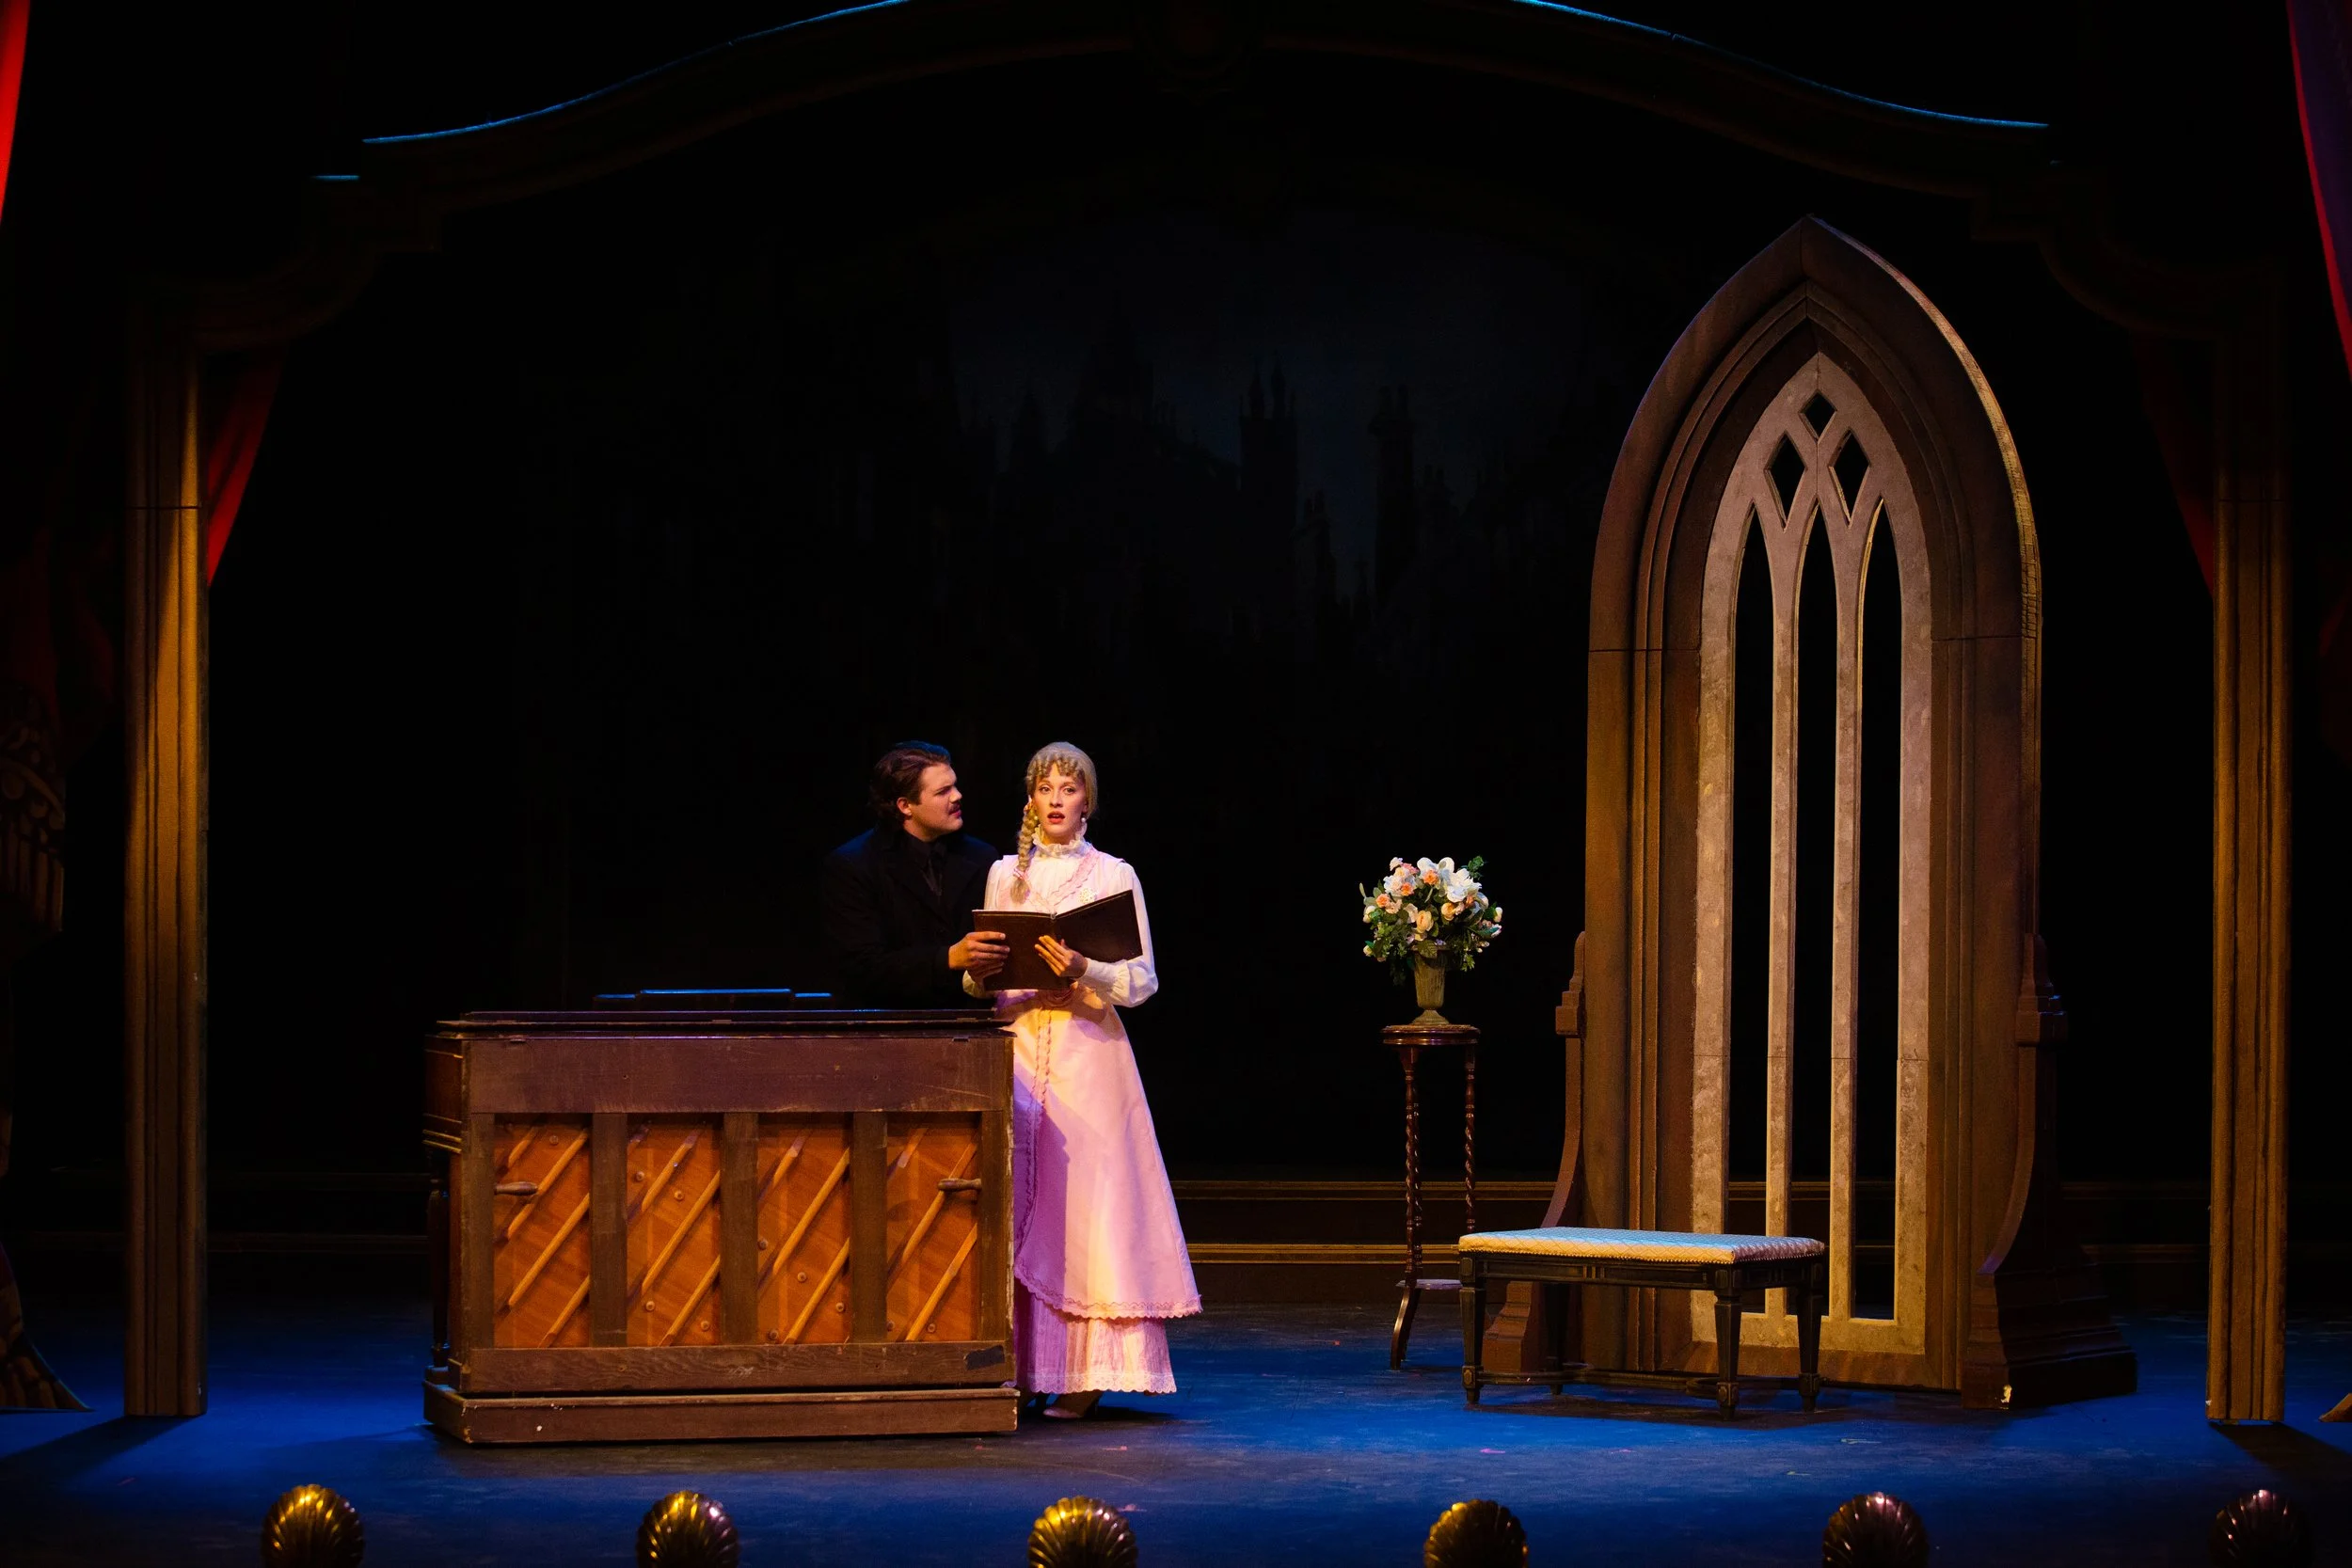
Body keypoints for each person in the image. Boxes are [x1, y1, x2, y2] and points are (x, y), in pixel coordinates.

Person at [961, 741, 1198, 1418]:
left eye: (1070, 787)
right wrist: (979, 972)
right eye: (1045, 787)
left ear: (1087, 801)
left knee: (1084, 1211)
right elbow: (985, 971)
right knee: (1017, 1202)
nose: (1057, 798)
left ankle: (1088, 1369)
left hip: (1089, 1056)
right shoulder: (1005, 873)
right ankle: (1023, 1364)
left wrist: (1083, 969)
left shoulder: (1113, 873)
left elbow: (1142, 980)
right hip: (1018, 1048)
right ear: (1030, 801)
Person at [821, 741, 1009, 1007]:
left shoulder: (983, 857)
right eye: (943, 791)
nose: (957, 796)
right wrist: (947, 958)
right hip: (891, 1029)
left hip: (973, 1023)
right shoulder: (854, 865)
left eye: (954, 785)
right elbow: (861, 967)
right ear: (905, 806)